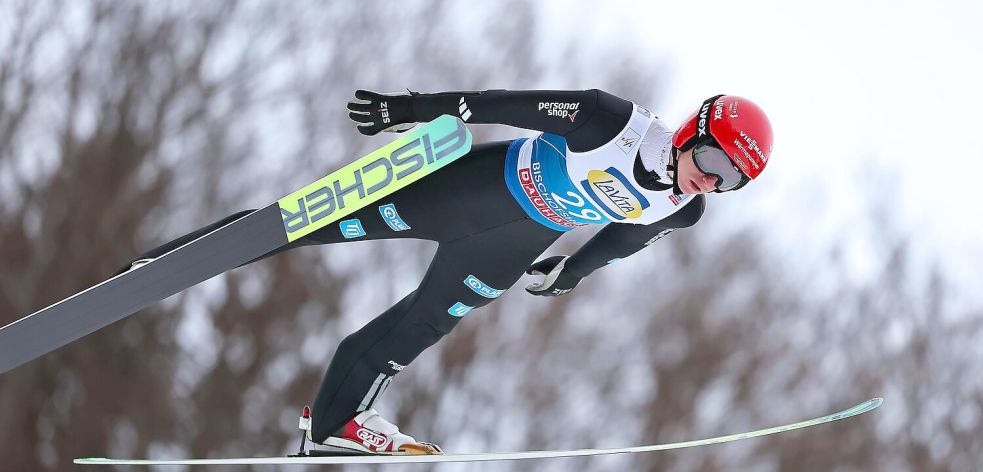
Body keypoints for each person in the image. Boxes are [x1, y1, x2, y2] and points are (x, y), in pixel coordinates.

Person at [124, 89, 773, 455]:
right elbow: (506, 105)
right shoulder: (611, 124)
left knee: (423, 324)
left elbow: (625, 239)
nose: (710, 180)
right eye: (713, 159)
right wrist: (409, 112)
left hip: (506, 247)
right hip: (467, 191)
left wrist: (569, 273)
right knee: (304, 223)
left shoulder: (683, 210)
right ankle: (165, 264)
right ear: (695, 128)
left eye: (730, 181)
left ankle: (333, 422)